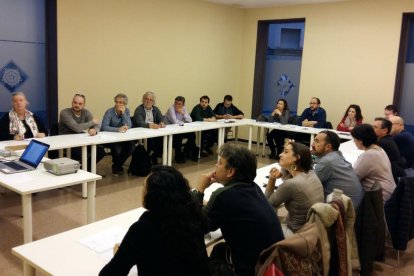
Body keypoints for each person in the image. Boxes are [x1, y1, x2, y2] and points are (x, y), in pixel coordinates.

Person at [99, 165, 210, 276]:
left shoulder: (142, 229)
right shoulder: (193, 217)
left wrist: (119, 254)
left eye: (144, 188)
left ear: (152, 195)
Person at [194, 143, 284, 276]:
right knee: (219, 249)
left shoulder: (223, 195)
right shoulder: (254, 187)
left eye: (219, 163)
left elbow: (197, 225)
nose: (215, 166)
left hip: (250, 269)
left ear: (231, 172)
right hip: (271, 263)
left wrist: (199, 190)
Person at [265, 141, 324, 237]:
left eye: (286, 152)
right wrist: (290, 148)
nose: (280, 154)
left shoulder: (291, 184)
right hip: (313, 231)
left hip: (296, 234)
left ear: (297, 157)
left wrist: (271, 179)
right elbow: (290, 173)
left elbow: (267, 205)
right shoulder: (311, 173)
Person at [312, 130, 364, 209]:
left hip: (344, 211)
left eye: (316, 141)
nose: (312, 144)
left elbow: (308, 185)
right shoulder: (337, 156)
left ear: (328, 147)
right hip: (353, 205)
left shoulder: (327, 161)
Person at [58, 93, 106, 169]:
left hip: (80, 139)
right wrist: (92, 122)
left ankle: (86, 170)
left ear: (84, 105)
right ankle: (84, 170)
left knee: (101, 152)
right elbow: (76, 128)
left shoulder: (86, 112)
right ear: (72, 102)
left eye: (80, 104)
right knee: (85, 154)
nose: (77, 105)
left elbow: (97, 123)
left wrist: (95, 130)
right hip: (67, 140)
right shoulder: (64, 112)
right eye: (75, 102)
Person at [351, 124, 396, 202]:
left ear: (360, 141)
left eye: (354, 139)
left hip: (380, 197)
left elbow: (353, 177)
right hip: (390, 193)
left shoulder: (369, 155)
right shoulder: (380, 149)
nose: (354, 142)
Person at [101, 93, 135, 175]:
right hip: (110, 138)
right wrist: (118, 129)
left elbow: (129, 125)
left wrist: (123, 114)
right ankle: (117, 165)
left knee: (131, 146)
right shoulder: (109, 112)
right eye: (116, 102)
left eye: (121, 102)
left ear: (125, 104)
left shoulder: (126, 111)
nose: (118, 104)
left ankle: (117, 165)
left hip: (122, 137)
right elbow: (104, 127)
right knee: (117, 149)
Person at [133, 91, 165, 164]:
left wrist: (162, 122)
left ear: (153, 102)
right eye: (146, 99)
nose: (148, 101)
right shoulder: (139, 109)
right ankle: (147, 159)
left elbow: (162, 118)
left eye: (151, 100)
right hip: (142, 133)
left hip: (154, 132)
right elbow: (139, 122)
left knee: (163, 139)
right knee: (152, 141)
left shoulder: (156, 109)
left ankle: (154, 155)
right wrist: (149, 125)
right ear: (143, 100)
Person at [163, 96, 197, 163]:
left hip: (179, 129)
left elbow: (190, 120)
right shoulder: (171, 108)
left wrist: (183, 114)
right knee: (178, 137)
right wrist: (183, 122)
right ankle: (178, 156)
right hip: (169, 129)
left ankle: (184, 152)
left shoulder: (184, 108)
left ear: (183, 105)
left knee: (192, 135)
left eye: (179, 104)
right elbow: (175, 122)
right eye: (175, 103)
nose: (177, 105)